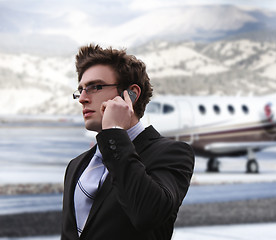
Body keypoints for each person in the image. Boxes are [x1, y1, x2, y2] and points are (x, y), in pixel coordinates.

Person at [61, 44, 195, 240]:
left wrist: (114, 133)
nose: (82, 98)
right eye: (80, 90)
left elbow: (147, 214)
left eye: (95, 87)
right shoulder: (76, 165)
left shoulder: (173, 153)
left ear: (131, 94)